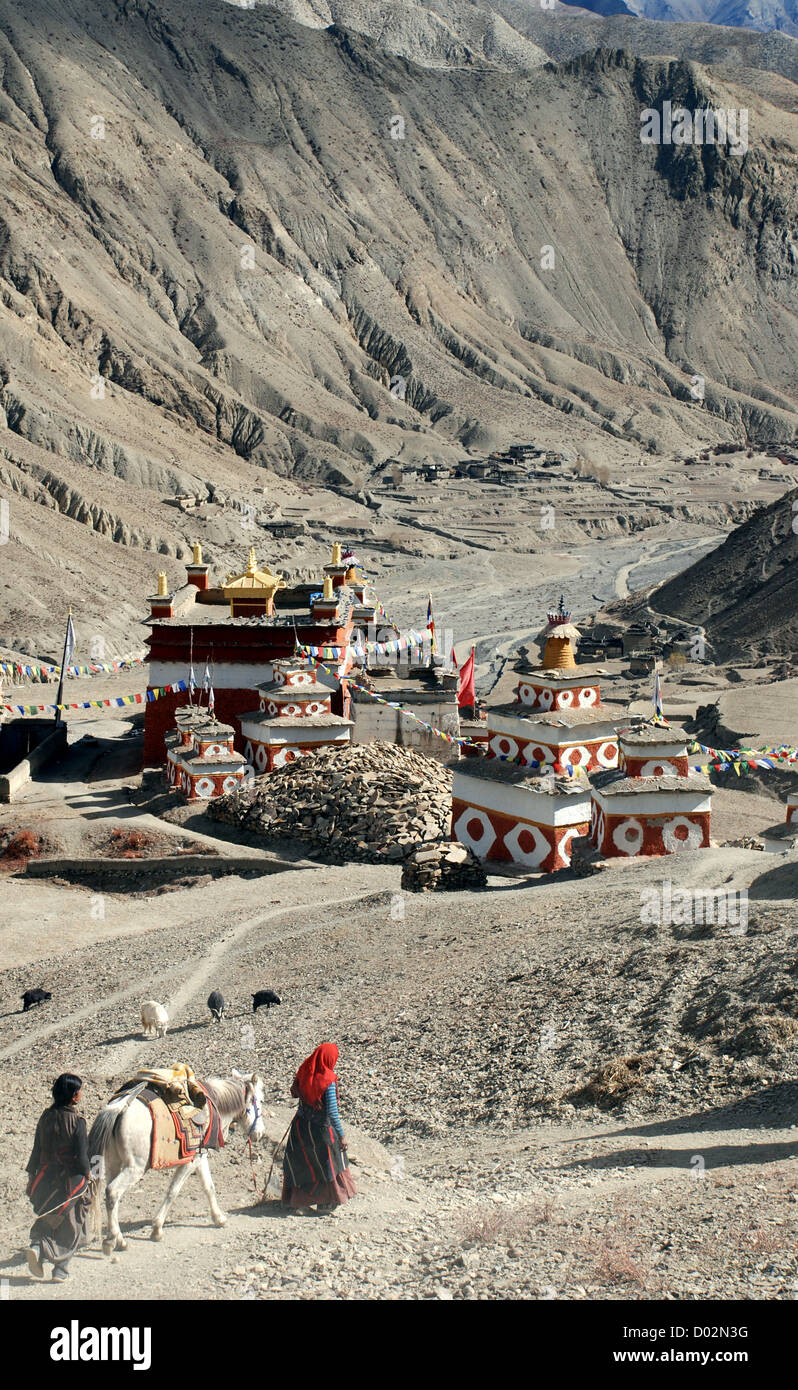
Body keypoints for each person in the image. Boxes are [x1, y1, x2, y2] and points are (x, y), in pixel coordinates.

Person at [25, 1073, 93, 1281]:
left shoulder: (45, 1116)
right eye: (79, 1090)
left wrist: (31, 1175)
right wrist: (88, 1176)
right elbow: (82, 1157)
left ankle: (37, 1245)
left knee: (48, 1216)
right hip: (68, 1181)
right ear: (73, 1096)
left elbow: (36, 1149)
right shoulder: (78, 1121)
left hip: (44, 1178)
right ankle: (61, 1269)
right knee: (73, 1222)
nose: (81, 1093)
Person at [281, 1043, 356, 1215]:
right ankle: (325, 1202)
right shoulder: (327, 1080)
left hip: (300, 1129)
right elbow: (332, 1112)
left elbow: (295, 1093)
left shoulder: (304, 1072)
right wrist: (342, 1135)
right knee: (328, 1163)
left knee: (302, 1164)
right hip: (321, 1130)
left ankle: (297, 1202)